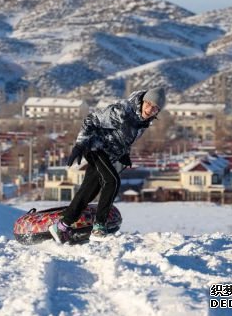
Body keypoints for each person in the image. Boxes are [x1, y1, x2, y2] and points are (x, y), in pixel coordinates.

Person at [49, 87, 166, 243]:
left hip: (109, 155)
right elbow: (90, 120)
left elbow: (122, 137)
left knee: (88, 192)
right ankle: (99, 227)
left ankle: (61, 226)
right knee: (112, 181)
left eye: (155, 108)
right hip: (96, 147)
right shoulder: (122, 111)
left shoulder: (142, 122)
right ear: (143, 101)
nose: (150, 109)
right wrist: (79, 145)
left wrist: (124, 154)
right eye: (149, 104)